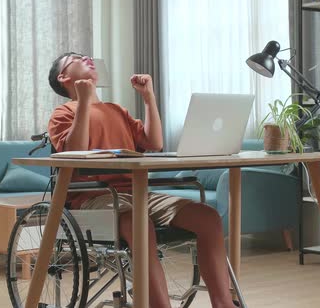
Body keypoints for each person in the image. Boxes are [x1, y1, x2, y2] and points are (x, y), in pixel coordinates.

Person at [47, 52, 238, 308]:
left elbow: (154, 142)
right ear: (64, 77)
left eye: (87, 56)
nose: (87, 58)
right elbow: (75, 152)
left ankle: (224, 304)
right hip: (93, 197)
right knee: (139, 222)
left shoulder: (117, 110)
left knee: (208, 218)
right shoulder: (62, 114)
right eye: (76, 58)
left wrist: (148, 97)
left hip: (138, 194)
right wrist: (82, 103)